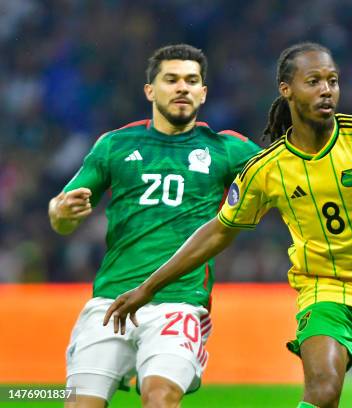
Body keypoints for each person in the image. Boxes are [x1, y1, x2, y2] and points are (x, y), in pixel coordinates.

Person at [103, 42, 352, 408]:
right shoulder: (268, 168)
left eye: (332, 81)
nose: (326, 90)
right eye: (313, 81)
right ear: (287, 90)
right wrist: (148, 287)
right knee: (323, 387)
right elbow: (219, 230)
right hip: (323, 289)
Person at [48, 44, 260, 408]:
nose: (183, 88)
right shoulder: (115, 144)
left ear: (203, 93)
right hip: (110, 301)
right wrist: (60, 212)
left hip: (178, 303)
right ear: (150, 90)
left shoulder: (227, 149)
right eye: (172, 79)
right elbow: (61, 215)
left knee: (160, 398)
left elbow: (291, 176)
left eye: (192, 81)